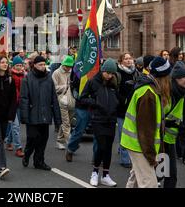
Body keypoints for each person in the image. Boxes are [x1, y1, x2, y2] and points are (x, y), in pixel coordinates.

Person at [121, 57, 172, 188]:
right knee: (150, 184)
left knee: (136, 180)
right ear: (163, 77)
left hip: (137, 143)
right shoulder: (148, 94)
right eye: (168, 76)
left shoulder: (149, 89)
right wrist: (150, 155)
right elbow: (145, 130)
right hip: (140, 145)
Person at [81, 59, 119, 187]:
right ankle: (95, 172)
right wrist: (95, 103)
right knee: (101, 146)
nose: (110, 75)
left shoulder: (113, 83)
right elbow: (83, 98)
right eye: (108, 73)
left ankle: (106, 175)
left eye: (112, 73)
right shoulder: (92, 82)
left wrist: (117, 105)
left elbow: (116, 98)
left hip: (111, 120)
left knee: (108, 148)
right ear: (103, 70)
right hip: (98, 119)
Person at [20, 56, 62, 170]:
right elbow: (24, 99)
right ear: (34, 65)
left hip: (45, 114)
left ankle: (39, 161)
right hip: (32, 114)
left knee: (43, 140)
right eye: (40, 65)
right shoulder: (27, 78)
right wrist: (24, 117)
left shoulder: (49, 78)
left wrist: (58, 119)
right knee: (33, 138)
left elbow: (54, 98)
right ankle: (27, 154)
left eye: (44, 64)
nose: (43, 67)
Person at [162, 61, 185, 188]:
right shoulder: (166, 94)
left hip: (169, 140)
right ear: (177, 79)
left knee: (170, 175)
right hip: (159, 141)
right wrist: (169, 123)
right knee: (160, 173)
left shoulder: (181, 92)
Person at [117, 52, 140, 168]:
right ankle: (125, 160)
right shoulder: (118, 74)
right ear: (121, 61)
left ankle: (122, 150)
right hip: (122, 109)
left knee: (132, 134)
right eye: (126, 59)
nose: (129, 60)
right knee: (123, 133)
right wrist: (124, 100)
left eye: (130, 58)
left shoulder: (136, 73)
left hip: (134, 109)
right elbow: (116, 91)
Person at [52, 55, 76, 150]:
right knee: (66, 123)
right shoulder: (56, 73)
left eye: (70, 66)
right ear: (63, 65)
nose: (68, 68)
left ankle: (59, 140)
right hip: (62, 100)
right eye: (67, 66)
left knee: (68, 121)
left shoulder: (73, 72)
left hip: (72, 100)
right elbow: (54, 88)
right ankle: (70, 143)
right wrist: (65, 86)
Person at [6, 55, 26, 158]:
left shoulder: (24, 75)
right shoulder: (9, 76)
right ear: (13, 66)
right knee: (16, 126)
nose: (19, 67)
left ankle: (8, 141)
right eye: (17, 65)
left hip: (20, 103)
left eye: (20, 65)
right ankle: (18, 148)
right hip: (11, 104)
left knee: (14, 125)